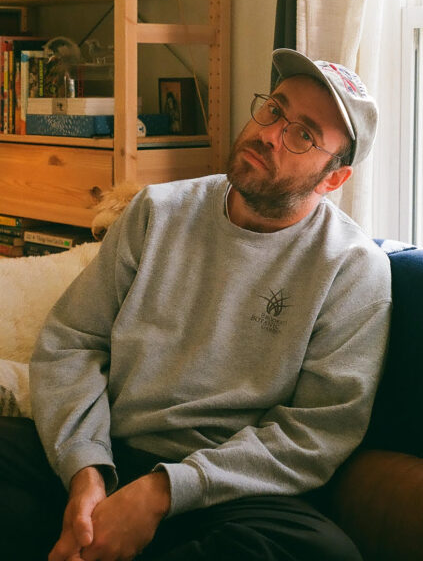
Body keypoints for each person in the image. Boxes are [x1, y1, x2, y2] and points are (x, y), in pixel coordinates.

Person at [0, 48, 391, 561]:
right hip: (109, 450)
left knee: (321, 553)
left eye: (303, 134)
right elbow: (73, 341)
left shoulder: (352, 268)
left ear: (333, 178)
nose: (271, 133)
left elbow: (315, 433)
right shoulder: (157, 212)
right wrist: (85, 472)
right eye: (274, 109)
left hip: (224, 488)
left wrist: (162, 493)